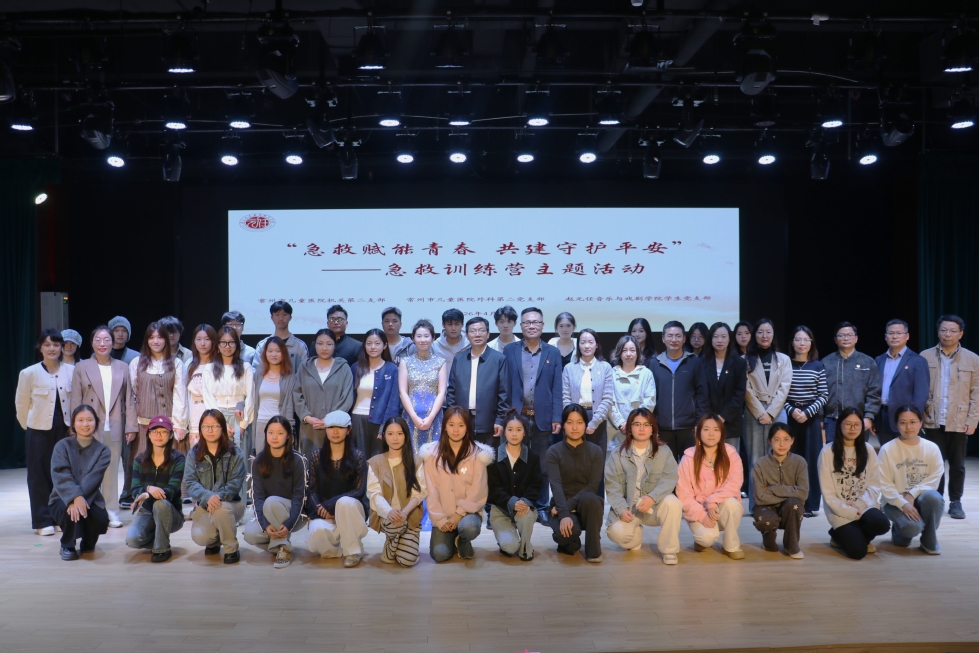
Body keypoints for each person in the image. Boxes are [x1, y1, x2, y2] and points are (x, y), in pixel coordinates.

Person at [70, 325, 138, 529]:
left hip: (115, 425)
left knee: (111, 471)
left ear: (112, 343)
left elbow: (129, 399)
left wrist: (131, 426)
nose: (102, 344)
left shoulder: (122, 367)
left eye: (106, 339)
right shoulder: (81, 367)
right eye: (98, 340)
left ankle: (112, 511)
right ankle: (90, 511)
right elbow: (76, 399)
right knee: (88, 472)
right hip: (89, 426)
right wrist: (75, 426)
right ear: (92, 343)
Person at [502, 307, 564, 524]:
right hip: (516, 418)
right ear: (521, 326)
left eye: (535, 322)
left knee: (542, 465)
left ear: (542, 326)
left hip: (542, 418)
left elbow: (557, 388)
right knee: (514, 463)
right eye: (527, 322)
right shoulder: (510, 350)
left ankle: (541, 506)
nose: (531, 326)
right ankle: (515, 505)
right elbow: (504, 385)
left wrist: (557, 417)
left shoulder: (552, 353)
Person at [605, 407, 682, 565]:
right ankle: (636, 535)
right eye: (637, 424)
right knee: (616, 533)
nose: (641, 429)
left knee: (673, 503)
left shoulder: (663, 451)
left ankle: (669, 550)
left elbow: (670, 477)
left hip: (654, 507)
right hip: (630, 509)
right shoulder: (617, 454)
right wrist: (621, 509)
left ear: (653, 429)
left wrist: (652, 497)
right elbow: (612, 487)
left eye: (646, 425)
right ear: (629, 428)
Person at [920, 314, 978, 520]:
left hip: (959, 419)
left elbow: (976, 392)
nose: (947, 334)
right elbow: (919, 389)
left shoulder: (973, 359)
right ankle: (936, 501)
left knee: (957, 464)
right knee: (935, 464)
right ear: (938, 332)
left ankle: (955, 501)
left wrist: (972, 420)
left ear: (960, 334)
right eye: (944, 330)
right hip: (931, 418)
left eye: (953, 331)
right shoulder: (925, 356)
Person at [15, 329, 72, 536]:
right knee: (38, 474)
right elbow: (21, 404)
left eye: (56, 345)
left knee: (61, 472)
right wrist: (29, 426)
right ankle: (42, 520)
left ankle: (58, 517)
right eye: (47, 344)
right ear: (40, 347)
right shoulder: (29, 373)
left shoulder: (71, 371)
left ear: (62, 347)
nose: (52, 349)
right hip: (38, 429)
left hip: (64, 428)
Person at [126, 321, 188, 508]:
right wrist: (132, 425)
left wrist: (180, 424)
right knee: (146, 465)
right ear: (146, 340)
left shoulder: (176, 363)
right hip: (144, 425)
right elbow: (133, 394)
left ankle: (170, 504)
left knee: (170, 464)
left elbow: (180, 394)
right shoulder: (137, 363)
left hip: (169, 425)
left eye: (160, 337)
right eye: (151, 337)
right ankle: (144, 502)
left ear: (166, 340)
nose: (155, 341)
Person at [421, 407, 493, 562]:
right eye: (451, 424)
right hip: (443, 516)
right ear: (445, 427)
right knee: (440, 555)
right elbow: (431, 492)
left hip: (467, 513)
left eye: (461, 425)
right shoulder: (431, 454)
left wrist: (458, 514)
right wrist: (441, 520)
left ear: (467, 428)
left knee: (469, 528)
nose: (455, 430)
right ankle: (452, 537)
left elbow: (478, 490)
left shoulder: (477, 455)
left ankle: (463, 539)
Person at [818, 407, 889, 560]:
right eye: (848, 424)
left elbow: (874, 485)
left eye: (857, 424)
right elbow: (828, 493)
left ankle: (854, 535)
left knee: (882, 524)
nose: (852, 428)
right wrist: (848, 511)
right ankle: (838, 534)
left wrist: (859, 505)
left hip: (863, 505)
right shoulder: (827, 452)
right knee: (858, 552)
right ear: (840, 425)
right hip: (840, 510)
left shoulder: (868, 449)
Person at [878, 405, 945, 554]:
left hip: (922, 498)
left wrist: (912, 494)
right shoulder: (887, 449)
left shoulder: (932, 448)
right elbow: (884, 484)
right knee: (910, 530)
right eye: (903, 422)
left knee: (934, 498)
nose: (908, 427)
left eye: (913, 422)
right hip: (894, 502)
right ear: (896, 425)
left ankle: (929, 540)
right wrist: (903, 503)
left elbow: (934, 478)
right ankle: (900, 529)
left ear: (921, 423)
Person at [676, 415, 745, 559]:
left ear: (722, 433)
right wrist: (702, 515)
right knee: (707, 538)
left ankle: (731, 546)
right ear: (699, 432)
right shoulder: (688, 458)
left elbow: (735, 484)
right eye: (706, 429)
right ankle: (701, 539)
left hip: (722, 507)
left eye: (716, 429)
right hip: (699, 510)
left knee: (732, 504)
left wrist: (712, 501)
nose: (711, 433)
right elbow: (683, 495)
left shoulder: (731, 454)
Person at [305, 411, 369, 567]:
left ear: (348, 430)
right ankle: (339, 549)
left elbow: (359, 490)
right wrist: (321, 509)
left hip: (351, 510)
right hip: (325, 512)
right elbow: (312, 489)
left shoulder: (358, 456)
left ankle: (353, 551)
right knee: (318, 532)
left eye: (340, 427)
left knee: (345, 502)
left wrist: (330, 505)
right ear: (325, 429)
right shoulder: (316, 456)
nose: (335, 431)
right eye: (331, 427)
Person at [243, 416, 308, 569]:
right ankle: (281, 546)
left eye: (280, 433)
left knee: (271, 501)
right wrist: (265, 525)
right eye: (270, 432)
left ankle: (283, 551)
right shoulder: (258, 461)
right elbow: (258, 498)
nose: (274, 437)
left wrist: (289, 524)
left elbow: (299, 497)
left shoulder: (297, 460)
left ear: (288, 436)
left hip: (295, 514)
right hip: (268, 512)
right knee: (250, 534)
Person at [183, 409, 247, 563]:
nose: (210, 430)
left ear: (223, 428)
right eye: (206, 426)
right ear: (200, 429)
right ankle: (215, 541)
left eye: (215, 426)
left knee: (221, 509)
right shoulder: (193, 454)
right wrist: (208, 497)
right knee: (201, 536)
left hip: (231, 504)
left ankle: (231, 549)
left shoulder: (235, 453)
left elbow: (235, 483)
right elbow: (190, 482)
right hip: (205, 504)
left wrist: (216, 497)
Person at [48, 405, 111, 560]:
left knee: (101, 519)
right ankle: (67, 545)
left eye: (90, 420)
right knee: (69, 511)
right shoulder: (62, 446)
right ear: (73, 424)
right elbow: (61, 475)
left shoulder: (103, 450)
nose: (85, 424)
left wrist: (80, 498)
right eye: (80, 420)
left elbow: (94, 478)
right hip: (62, 497)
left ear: (96, 422)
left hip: (91, 497)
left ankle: (88, 542)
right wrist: (74, 497)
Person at [743, 318, 792, 509]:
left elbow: (784, 388)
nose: (764, 336)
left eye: (768, 332)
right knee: (755, 458)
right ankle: (757, 503)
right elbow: (746, 389)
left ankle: (778, 500)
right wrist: (760, 412)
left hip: (777, 411)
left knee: (779, 455)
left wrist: (770, 412)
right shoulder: (745, 359)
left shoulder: (784, 359)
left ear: (773, 335)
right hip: (753, 412)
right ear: (754, 335)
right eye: (760, 332)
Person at [546, 404, 604, 562]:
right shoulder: (553, 452)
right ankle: (570, 541)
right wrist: (564, 513)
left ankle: (594, 551)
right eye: (570, 422)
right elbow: (556, 486)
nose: (575, 427)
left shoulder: (595, 451)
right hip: (561, 503)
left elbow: (592, 486)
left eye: (579, 422)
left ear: (585, 425)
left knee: (592, 498)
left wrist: (564, 509)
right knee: (567, 537)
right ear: (563, 425)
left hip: (586, 506)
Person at [366, 417, 428, 567]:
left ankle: (398, 543)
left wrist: (404, 512)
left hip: (409, 515)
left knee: (407, 560)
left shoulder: (417, 461)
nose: (395, 438)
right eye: (390, 434)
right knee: (396, 525)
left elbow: (420, 492)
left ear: (406, 435)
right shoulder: (375, 462)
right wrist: (389, 512)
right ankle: (392, 542)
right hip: (387, 516)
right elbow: (374, 494)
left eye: (399, 433)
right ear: (384, 436)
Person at [125, 415, 185, 562]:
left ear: (171, 435)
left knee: (160, 503)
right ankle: (159, 539)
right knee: (132, 540)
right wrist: (148, 488)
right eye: (154, 431)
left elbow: (171, 490)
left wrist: (146, 494)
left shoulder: (178, 459)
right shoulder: (140, 460)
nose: (159, 435)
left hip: (170, 510)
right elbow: (134, 489)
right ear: (148, 435)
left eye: (163, 431)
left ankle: (162, 549)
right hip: (147, 510)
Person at [562, 328, 614, 493]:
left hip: (597, 419)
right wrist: (572, 420)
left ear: (597, 345)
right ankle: (574, 503)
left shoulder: (605, 367)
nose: (586, 346)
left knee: (596, 464)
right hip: (574, 419)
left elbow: (607, 398)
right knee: (574, 464)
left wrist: (593, 422)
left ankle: (596, 503)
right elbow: (565, 397)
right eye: (583, 342)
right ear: (578, 345)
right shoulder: (569, 368)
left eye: (590, 342)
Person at [446, 317, 510, 451]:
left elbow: (504, 394)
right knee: (462, 457)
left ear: (488, 334)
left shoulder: (499, 359)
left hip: (489, 422)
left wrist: (500, 420)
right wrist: (453, 417)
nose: (477, 334)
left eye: (481, 330)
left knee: (487, 459)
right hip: (462, 420)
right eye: (473, 331)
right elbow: (451, 391)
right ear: (467, 335)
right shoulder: (459, 358)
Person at [783, 326, 828, 517]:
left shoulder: (818, 366)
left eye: (806, 340)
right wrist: (792, 410)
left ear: (811, 343)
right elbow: (780, 393)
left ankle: (810, 504)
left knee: (811, 461)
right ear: (792, 343)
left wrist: (807, 413)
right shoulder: (786, 364)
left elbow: (823, 395)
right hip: (790, 417)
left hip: (811, 418)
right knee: (790, 460)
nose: (802, 343)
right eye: (798, 339)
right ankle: (792, 502)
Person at [648, 321, 708, 461]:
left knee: (691, 466)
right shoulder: (655, 363)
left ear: (684, 339)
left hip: (688, 427)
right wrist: (653, 425)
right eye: (670, 336)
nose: (674, 339)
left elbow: (702, 395)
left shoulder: (694, 362)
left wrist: (699, 423)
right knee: (666, 468)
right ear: (663, 338)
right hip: (663, 428)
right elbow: (651, 397)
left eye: (678, 336)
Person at [487, 410, 542, 561]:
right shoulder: (493, 457)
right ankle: (508, 539)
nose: (514, 434)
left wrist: (524, 502)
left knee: (526, 516)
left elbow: (536, 484)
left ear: (525, 432)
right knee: (510, 548)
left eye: (519, 429)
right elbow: (494, 488)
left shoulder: (533, 457)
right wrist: (511, 502)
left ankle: (525, 547)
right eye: (510, 429)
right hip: (500, 510)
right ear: (504, 431)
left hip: (524, 508)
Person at [294, 328, 355, 461]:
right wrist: (306, 417)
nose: (324, 347)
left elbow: (347, 397)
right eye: (320, 343)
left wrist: (330, 421)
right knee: (310, 464)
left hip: (336, 428)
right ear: (315, 345)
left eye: (329, 344)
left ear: (335, 346)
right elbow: (297, 394)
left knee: (334, 463)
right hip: (310, 427)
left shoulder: (343, 367)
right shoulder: (305, 366)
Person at [751, 423, 808, 559]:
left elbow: (803, 493)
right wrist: (791, 493)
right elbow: (760, 497)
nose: (782, 444)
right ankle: (768, 540)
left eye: (786, 439)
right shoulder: (760, 464)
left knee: (794, 504)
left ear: (792, 441)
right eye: (777, 440)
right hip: (766, 507)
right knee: (768, 518)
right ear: (769, 441)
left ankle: (792, 546)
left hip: (789, 507)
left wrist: (774, 489)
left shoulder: (800, 462)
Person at [821, 321, 882, 446]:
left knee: (858, 454)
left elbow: (874, 392)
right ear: (835, 339)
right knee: (833, 454)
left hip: (858, 420)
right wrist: (820, 418)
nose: (846, 338)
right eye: (841, 335)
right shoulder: (826, 362)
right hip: (832, 420)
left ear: (856, 338)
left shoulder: (867, 362)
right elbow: (820, 392)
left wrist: (869, 416)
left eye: (849, 335)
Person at [875, 319, 930, 448]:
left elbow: (921, 395)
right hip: (882, 416)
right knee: (886, 453)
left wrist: (913, 419)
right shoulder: (879, 360)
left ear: (907, 336)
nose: (894, 336)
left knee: (907, 454)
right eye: (891, 333)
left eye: (899, 333)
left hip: (905, 418)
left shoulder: (918, 361)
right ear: (886, 336)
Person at [202, 326, 255, 453]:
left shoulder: (246, 367)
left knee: (240, 457)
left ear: (237, 344)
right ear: (218, 345)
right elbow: (208, 397)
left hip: (240, 418)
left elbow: (251, 397)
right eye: (223, 342)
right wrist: (220, 423)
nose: (227, 346)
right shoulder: (209, 368)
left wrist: (243, 425)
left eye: (231, 342)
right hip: (216, 418)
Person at [350, 328, 401, 458]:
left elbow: (393, 401)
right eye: (369, 343)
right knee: (359, 458)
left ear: (385, 345)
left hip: (380, 420)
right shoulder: (355, 367)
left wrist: (386, 426)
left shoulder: (392, 369)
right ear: (364, 345)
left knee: (378, 459)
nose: (373, 347)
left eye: (377, 343)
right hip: (357, 419)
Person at [399, 319, 448, 454]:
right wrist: (414, 417)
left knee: (433, 455)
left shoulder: (440, 362)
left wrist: (431, 417)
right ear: (413, 339)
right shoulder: (406, 362)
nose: (422, 340)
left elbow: (441, 392)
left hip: (434, 416)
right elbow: (403, 392)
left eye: (426, 336)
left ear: (433, 338)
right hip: (410, 416)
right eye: (419, 336)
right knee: (411, 454)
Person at [699, 323, 747, 454]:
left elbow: (739, 394)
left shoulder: (739, 363)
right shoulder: (701, 362)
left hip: (730, 422)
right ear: (710, 339)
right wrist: (709, 418)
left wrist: (722, 417)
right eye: (715, 336)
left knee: (729, 459)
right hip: (707, 421)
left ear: (729, 338)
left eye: (723, 336)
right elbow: (700, 392)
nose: (719, 340)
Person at [608, 335, 656, 451]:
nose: (628, 354)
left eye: (632, 350)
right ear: (619, 353)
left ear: (638, 352)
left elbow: (649, 401)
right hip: (616, 429)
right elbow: (609, 402)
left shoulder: (646, 373)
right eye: (624, 350)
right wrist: (621, 423)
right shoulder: (611, 373)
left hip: (640, 427)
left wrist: (634, 423)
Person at [252, 336, 296, 455]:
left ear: (283, 353)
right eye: (270, 351)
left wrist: (290, 429)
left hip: (279, 425)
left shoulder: (289, 376)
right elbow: (250, 396)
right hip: (260, 423)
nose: (274, 354)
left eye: (278, 351)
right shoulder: (258, 375)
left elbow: (289, 406)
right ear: (265, 353)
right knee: (261, 460)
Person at [186, 325, 217, 451]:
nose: (202, 343)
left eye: (207, 339)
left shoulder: (218, 364)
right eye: (199, 339)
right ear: (194, 341)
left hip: (214, 419)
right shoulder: (188, 364)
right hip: (194, 421)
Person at [256, 301, 309, 372]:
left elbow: (305, 372)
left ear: (290, 317)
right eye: (277, 314)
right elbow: (257, 372)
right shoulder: (262, 345)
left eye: (284, 314)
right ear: (272, 317)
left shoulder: (300, 346)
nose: (281, 318)